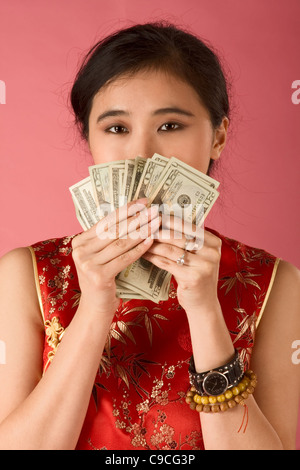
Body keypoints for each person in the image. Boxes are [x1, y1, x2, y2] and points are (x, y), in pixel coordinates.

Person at [0, 22, 299, 451]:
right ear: (89, 138)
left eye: (171, 126)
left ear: (218, 135)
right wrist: (95, 307)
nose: (142, 154)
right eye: (117, 128)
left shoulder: (273, 282)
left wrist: (205, 313)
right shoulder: (28, 276)